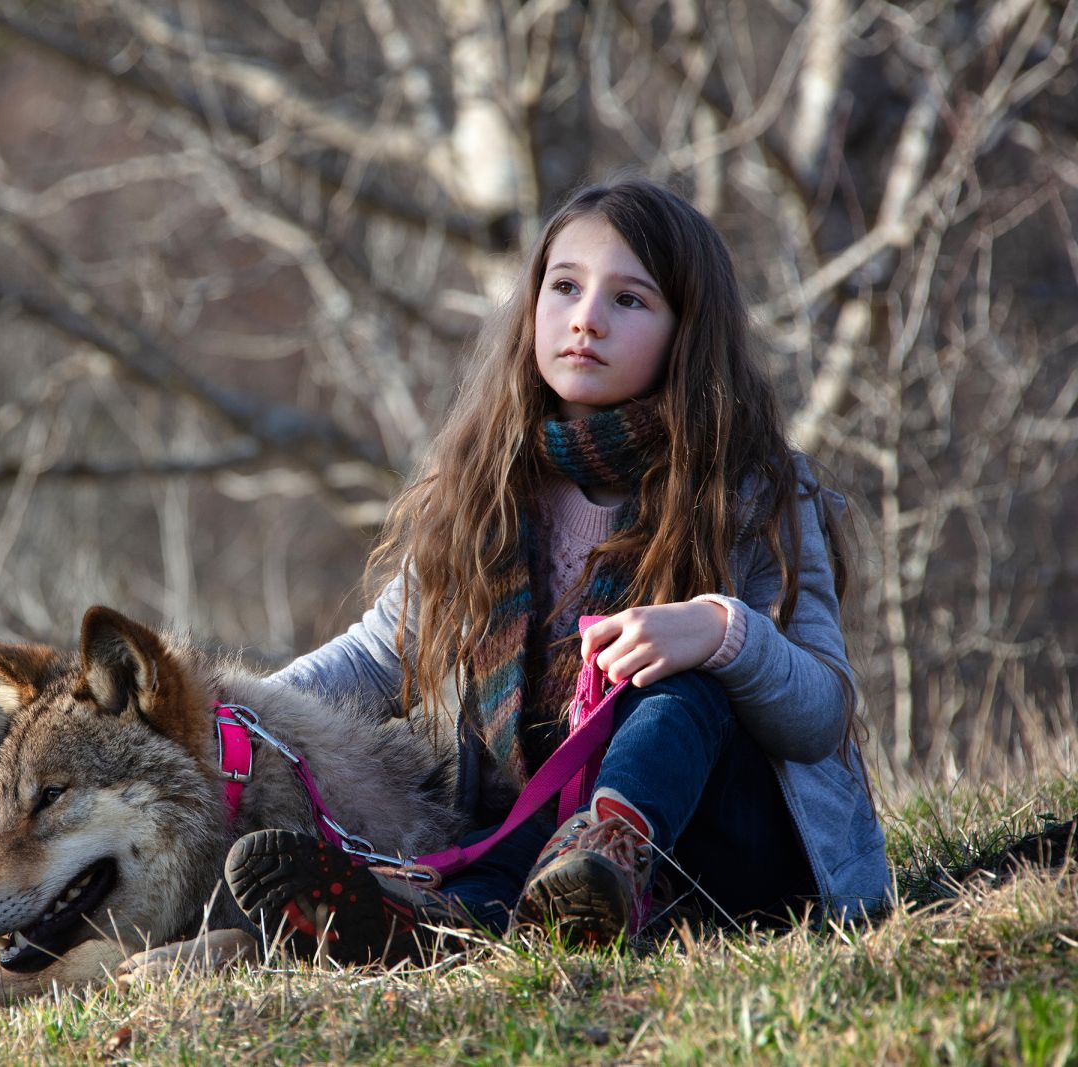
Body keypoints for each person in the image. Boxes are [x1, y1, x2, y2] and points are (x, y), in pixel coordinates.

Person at [222, 177, 889, 962]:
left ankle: (606, 849)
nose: (586, 318)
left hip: (732, 867)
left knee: (687, 678)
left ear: (687, 332)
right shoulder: (486, 484)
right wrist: (242, 712)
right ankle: (423, 923)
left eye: (630, 300)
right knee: (513, 829)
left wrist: (719, 629)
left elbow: (820, 712)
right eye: (565, 286)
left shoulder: (753, 488)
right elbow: (377, 654)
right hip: (532, 858)